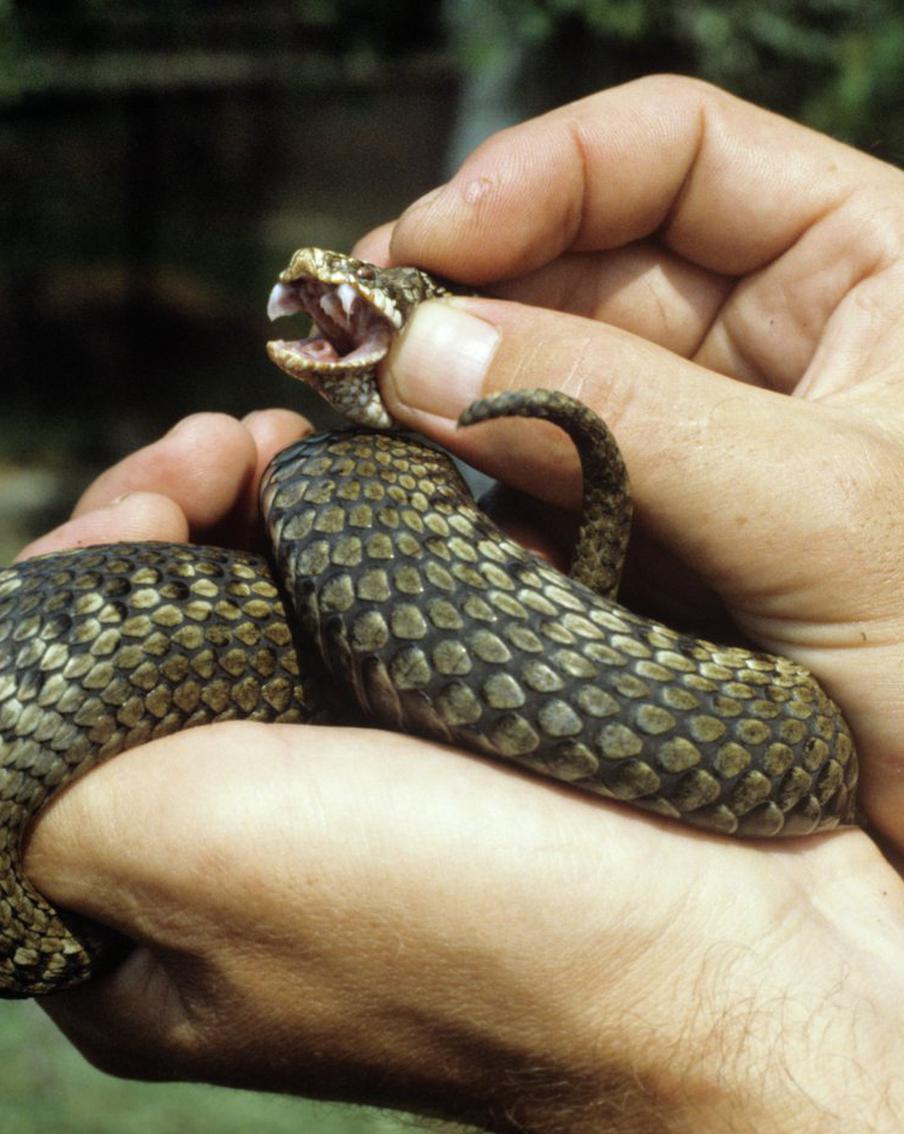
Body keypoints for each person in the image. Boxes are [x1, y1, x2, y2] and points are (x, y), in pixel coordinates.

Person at [19, 75, 904, 1133]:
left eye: (366, 290)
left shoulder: (375, 471)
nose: (316, 281)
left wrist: (701, 1016)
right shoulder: (364, 471)